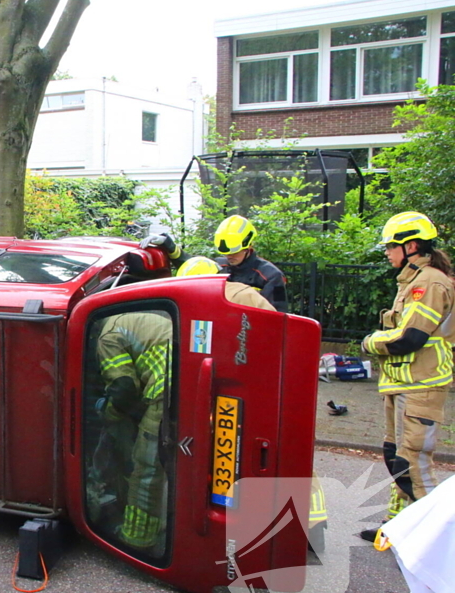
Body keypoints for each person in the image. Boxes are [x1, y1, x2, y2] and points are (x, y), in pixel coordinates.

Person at [176, 256, 329, 542]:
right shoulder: (243, 296)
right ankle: (311, 527)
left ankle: (246, 529)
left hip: (223, 395)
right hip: (257, 389)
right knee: (278, 454)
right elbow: (279, 333)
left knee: (229, 459)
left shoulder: (186, 305)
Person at [360, 212, 453, 543]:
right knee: (396, 458)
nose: (386, 252)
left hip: (422, 386)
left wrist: (370, 342)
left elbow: (410, 338)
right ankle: (397, 527)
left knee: (413, 466)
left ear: (411, 246)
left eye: (390, 246)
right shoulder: (411, 281)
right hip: (402, 385)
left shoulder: (429, 283)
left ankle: (433, 545)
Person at [92, 311, 173, 551]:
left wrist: (107, 414)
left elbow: (125, 389)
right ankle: (166, 522)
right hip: (185, 380)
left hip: (164, 391)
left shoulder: (107, 336)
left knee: (147, 470)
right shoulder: (133, 319)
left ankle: (138, 539)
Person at [141, 215, 289, 312]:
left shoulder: (271, 276)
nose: (228, 256)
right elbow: (193, 269)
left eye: (234, 252)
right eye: (225, 253)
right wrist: (169, 245)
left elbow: (278, 316)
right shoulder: (221, 266)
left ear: (248, 246)